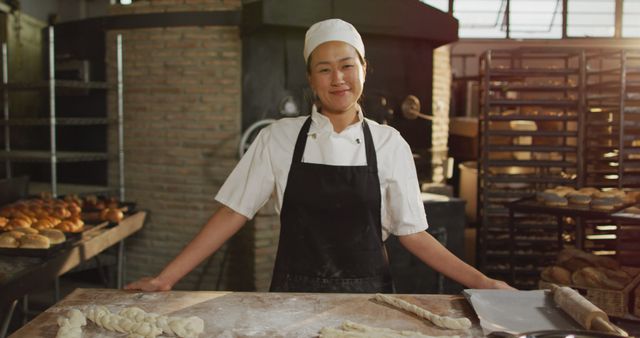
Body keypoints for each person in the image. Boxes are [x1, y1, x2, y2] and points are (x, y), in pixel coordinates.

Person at [126, 18, 512, 293]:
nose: (337, 78)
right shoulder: (278, 138)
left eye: (347, 66)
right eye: (324, 70)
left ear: (364, 69)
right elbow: (232, 211)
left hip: (369, 297)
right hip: (292, 294)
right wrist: (166, 278)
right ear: (311, 80)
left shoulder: (389, 143)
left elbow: (413, 233)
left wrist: (483, 281)